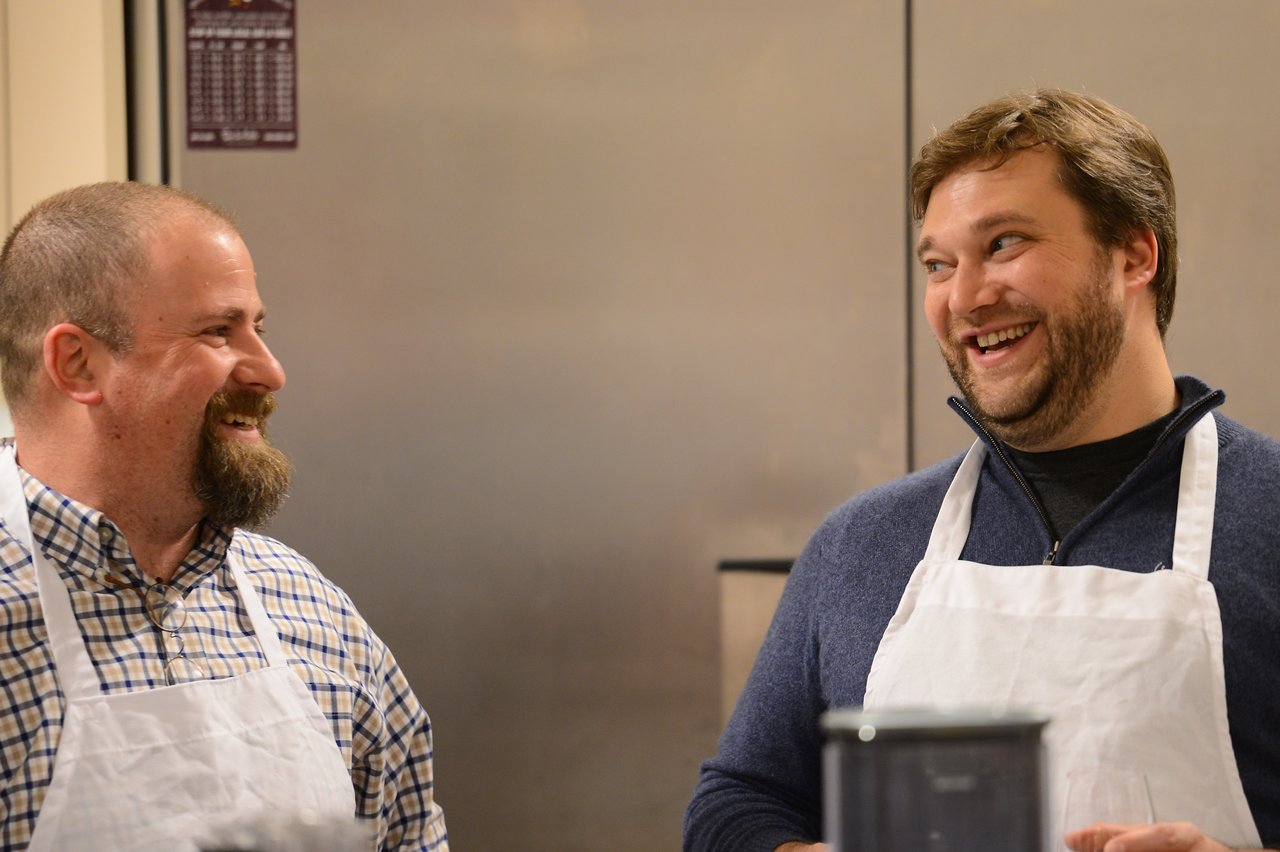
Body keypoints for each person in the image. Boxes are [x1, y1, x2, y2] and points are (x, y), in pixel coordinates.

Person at [683, 89, 1280, 852]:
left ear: (1135, 254)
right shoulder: (862, 545)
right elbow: (738, 803)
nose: (964, 297)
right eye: (939, 262)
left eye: (1005, 244)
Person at [0, 182, 449, 851]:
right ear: (78, 363)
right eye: (217, 330)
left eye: (258, 329)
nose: (270, 370)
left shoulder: (316, 616)